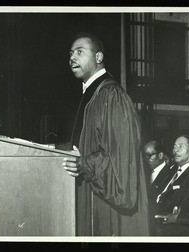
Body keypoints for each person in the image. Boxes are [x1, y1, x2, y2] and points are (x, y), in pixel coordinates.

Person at [62, 32, 150, 236]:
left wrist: (83, 164)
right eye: (70, 53)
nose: (72, 58)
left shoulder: (112, 95)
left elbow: (119, 156)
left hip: (107, 201)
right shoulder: (93, 94)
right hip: (92, 191)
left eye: (79, 52)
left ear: (99, 57)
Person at [154, 135, 189, 236]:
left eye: (180, 146)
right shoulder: (172, 170)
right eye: (174, 147)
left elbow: (184, 208)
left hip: (169, 222)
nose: (175, 150)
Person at [143, 140, 176, 235]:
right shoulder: (146, 173)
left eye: (150, 155)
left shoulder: (170, 174)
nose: (147, 159)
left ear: (161, 155)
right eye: (145, 156)